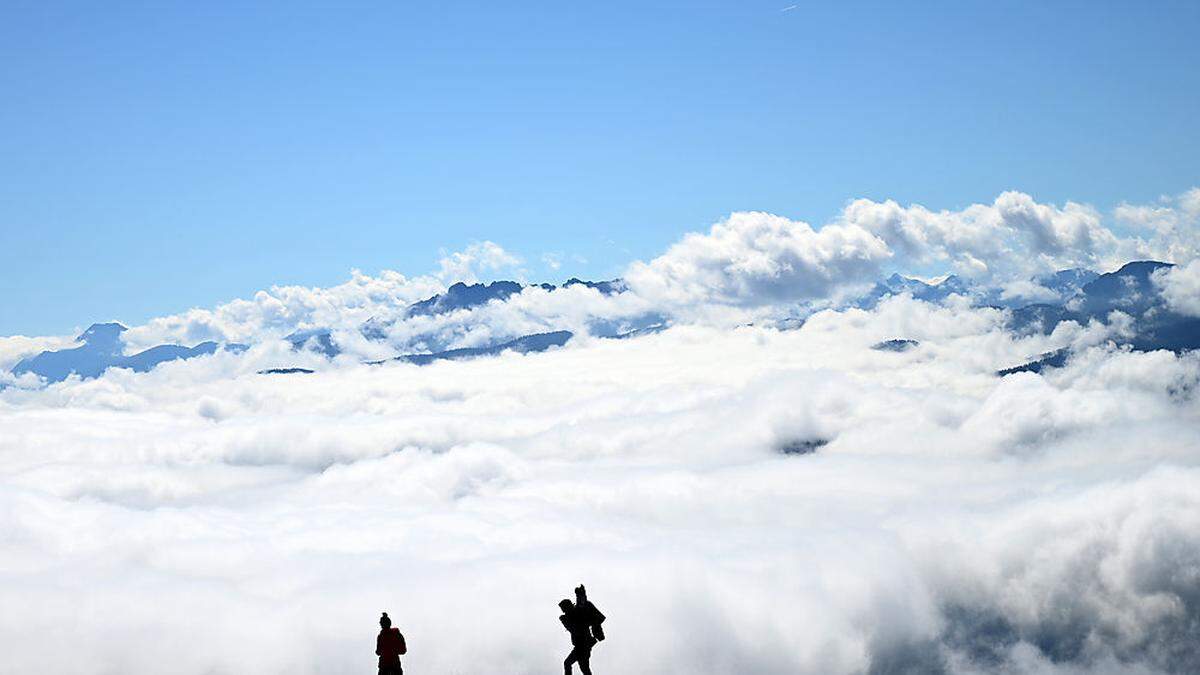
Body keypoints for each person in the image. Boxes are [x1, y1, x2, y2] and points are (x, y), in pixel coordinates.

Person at [560, 585, 605, 675]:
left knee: (576, 666)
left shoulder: (578, 613)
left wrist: (580, 595)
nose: (564, 611)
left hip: (583, 646)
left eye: (565, 609)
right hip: (580, 646)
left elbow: (581, 605)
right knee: (583, 669)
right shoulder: (568, 617)